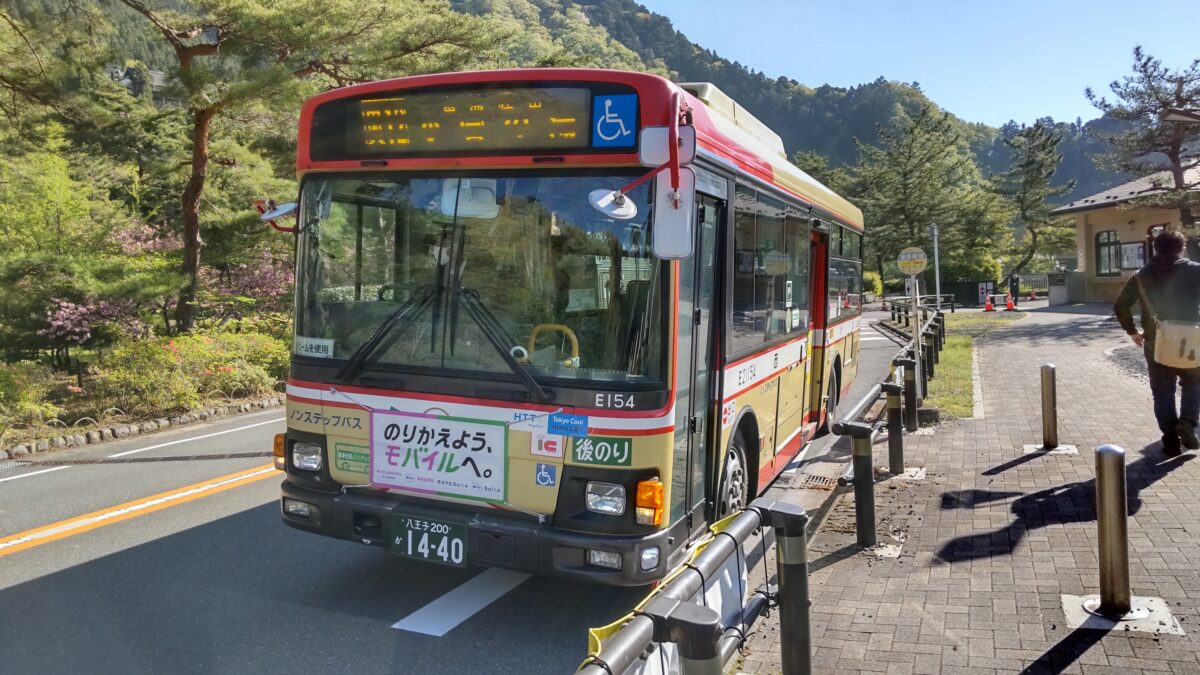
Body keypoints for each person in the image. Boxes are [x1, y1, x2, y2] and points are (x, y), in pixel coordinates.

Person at [1114, 230, 1200, 456]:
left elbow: (1120, 305)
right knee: (1193, 382)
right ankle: (1188, 423)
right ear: (1181, 247)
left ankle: (1170, 439)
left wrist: (1132, 332)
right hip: (1192, 339)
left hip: (1156, 338)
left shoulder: (1142, 275)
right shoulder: (1195, 271)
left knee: (1162, 391)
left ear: (1155, 248)